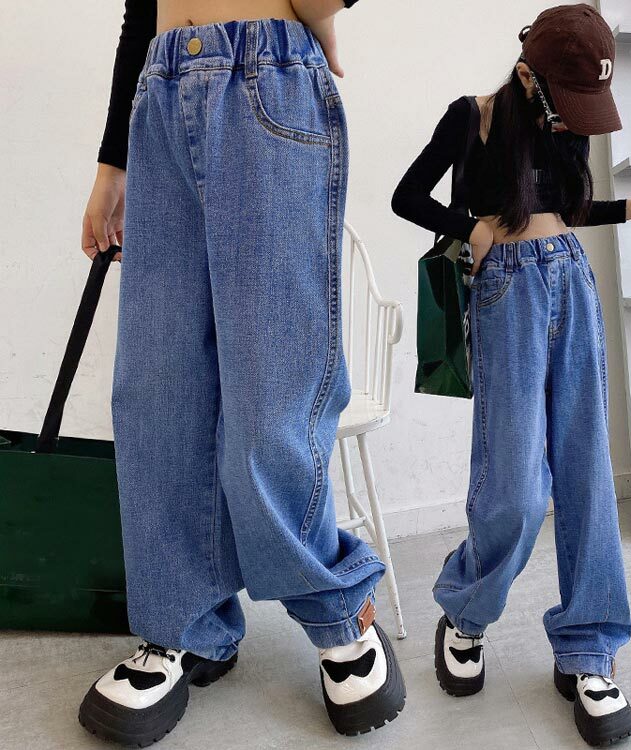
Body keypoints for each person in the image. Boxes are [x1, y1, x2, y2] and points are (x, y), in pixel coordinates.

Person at [78, 1, 405, 744]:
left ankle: (338, 610)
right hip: (160, 89)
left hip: (267, 74)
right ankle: (183, 620)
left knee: (272, 392)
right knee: (156, 391)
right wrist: (112, 162)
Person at [392, 5, 631, 746]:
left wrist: (629, 209)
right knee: (515, 486)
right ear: (528, 74)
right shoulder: (474, 117)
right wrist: (473, 228)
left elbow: (564, 210)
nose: (578, 116)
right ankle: (465, 612)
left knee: (585, 474)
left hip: (570, 283)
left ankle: (589, 647)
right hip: (506, 296)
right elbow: (407, 196)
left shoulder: (567, 120)